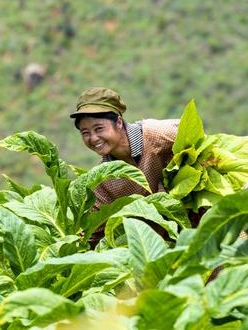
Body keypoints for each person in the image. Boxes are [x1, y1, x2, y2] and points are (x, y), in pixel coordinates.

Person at [70, 87, 179, 245]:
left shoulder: (158, 135)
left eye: (99, 128)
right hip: (164, 250)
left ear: (119, 122)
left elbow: (206, 148)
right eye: (85, 133)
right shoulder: (104, 179)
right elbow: (95, 232)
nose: (93, 138)